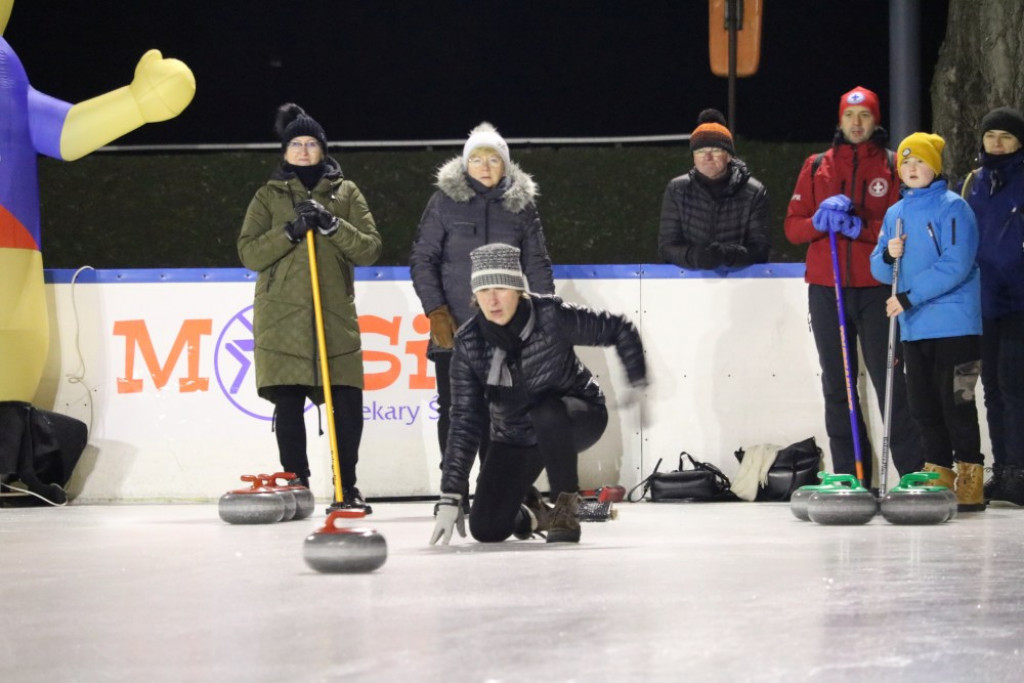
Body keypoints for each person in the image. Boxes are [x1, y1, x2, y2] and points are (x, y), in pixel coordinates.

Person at [429, 244, 646, 545]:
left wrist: (637, 381)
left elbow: (619, 329)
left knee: (545, 409)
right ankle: (533, 512)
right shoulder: (468, 343)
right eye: (484, 290)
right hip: (516, 434)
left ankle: (566, 509)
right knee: (487, 529)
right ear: (474, 297)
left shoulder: (551, 316)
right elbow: (464, 422)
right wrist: (451, 495)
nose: (492, 299)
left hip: (576, 416)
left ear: (519, 290)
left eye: (502, 288)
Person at [237, 103, 382, 513]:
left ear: (323, 149)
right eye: (295, 144)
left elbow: (370, 249)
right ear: (284, 152)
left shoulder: (346, 192)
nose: (303, 151)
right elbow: (248, 253)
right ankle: (296, 482)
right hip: (281, 317)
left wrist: (332, 224)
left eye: (311, 144)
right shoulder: (267, 195)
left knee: (346, 402)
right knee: (288, 402)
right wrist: (290, 231)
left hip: (334, 314)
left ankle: (347, 487)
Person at [410, 122, 555, 506]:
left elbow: (538, 264)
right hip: (454, 327)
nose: (485, 166)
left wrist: (542, 315)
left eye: (493, 159)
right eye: (477, 159)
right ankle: (452, 490)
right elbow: (423, 258)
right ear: (465, 164)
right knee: (456, 411)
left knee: (503, 413)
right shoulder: (444, 202)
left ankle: (497, 492)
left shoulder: (521, 205)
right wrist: (436, 311)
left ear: (505, 165)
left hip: (507, 329)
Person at [784, 86, 921, 488]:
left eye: (864, 117)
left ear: (875, 121)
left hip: (877, 288)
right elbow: (793, 226)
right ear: (840, 120)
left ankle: (911, 472)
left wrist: (861, 229)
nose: (857, 123)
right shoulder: (815, 167)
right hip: (828, 290)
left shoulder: (893, 166)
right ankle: (849, 474)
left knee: (890, 381)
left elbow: (904, 226)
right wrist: (817, 224)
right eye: (849, 116)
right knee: (838, 383)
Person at [870, 132, 984, 511]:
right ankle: (937, 473)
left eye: (919, 161)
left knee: (957, 403)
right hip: (915, 328)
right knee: (923, 407)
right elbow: (878, 269)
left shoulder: (955, 208)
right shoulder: (895, 214)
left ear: (934, 166)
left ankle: (970, 477)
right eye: (905, 162)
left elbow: (956, 263)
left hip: (956, 326)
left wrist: (908, 296)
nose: (912, 168)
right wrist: (888, 254)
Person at [959, 107, 1024, 506]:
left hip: (1018, 299)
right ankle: (1003, 471)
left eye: (1005, 137)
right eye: (990, 136)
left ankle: (1019, 470)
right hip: (982, 301)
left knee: (1013, 386)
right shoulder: (973, 183)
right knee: (991, 392)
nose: (996, 143)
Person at [658, 109, 771, 269]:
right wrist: (694, 256)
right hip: (687, 284)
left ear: (729, 156)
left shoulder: (754, 191)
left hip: (741, 285)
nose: (707, 157)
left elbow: (760, 249)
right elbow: (667, 247)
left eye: (715, 150)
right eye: (700, 151)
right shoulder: (676, 189)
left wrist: (726, 255)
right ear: (693, 156)